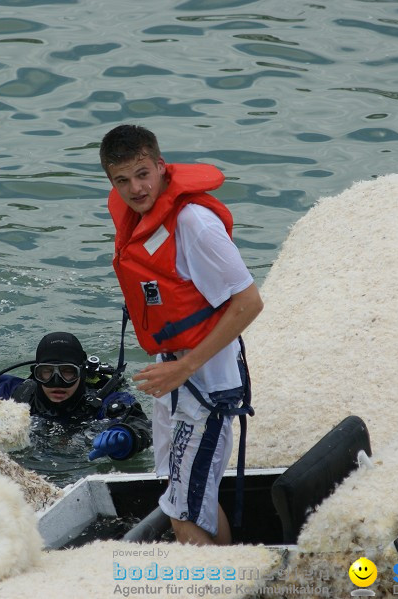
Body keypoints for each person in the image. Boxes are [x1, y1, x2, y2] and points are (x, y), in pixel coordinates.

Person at [98, 124, 264, 546]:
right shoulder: (139, 218)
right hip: (173, 375)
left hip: (206, 385)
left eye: (142, 174)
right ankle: (231, 578)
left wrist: (187, 366)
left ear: (160, 165)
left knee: (181, 513)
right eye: (122, 180)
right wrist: (173, 368)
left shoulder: (195, 224)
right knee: (189, 496)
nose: (135, 189)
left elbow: (248, 302)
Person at [0, 332, 152, 461]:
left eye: (68, 372)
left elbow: (141, 426)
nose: (56, 382)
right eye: (46, 373)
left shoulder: (105, 402)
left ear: (82, 373)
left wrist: (128, 437)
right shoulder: (14, 392)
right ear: (35, 373)